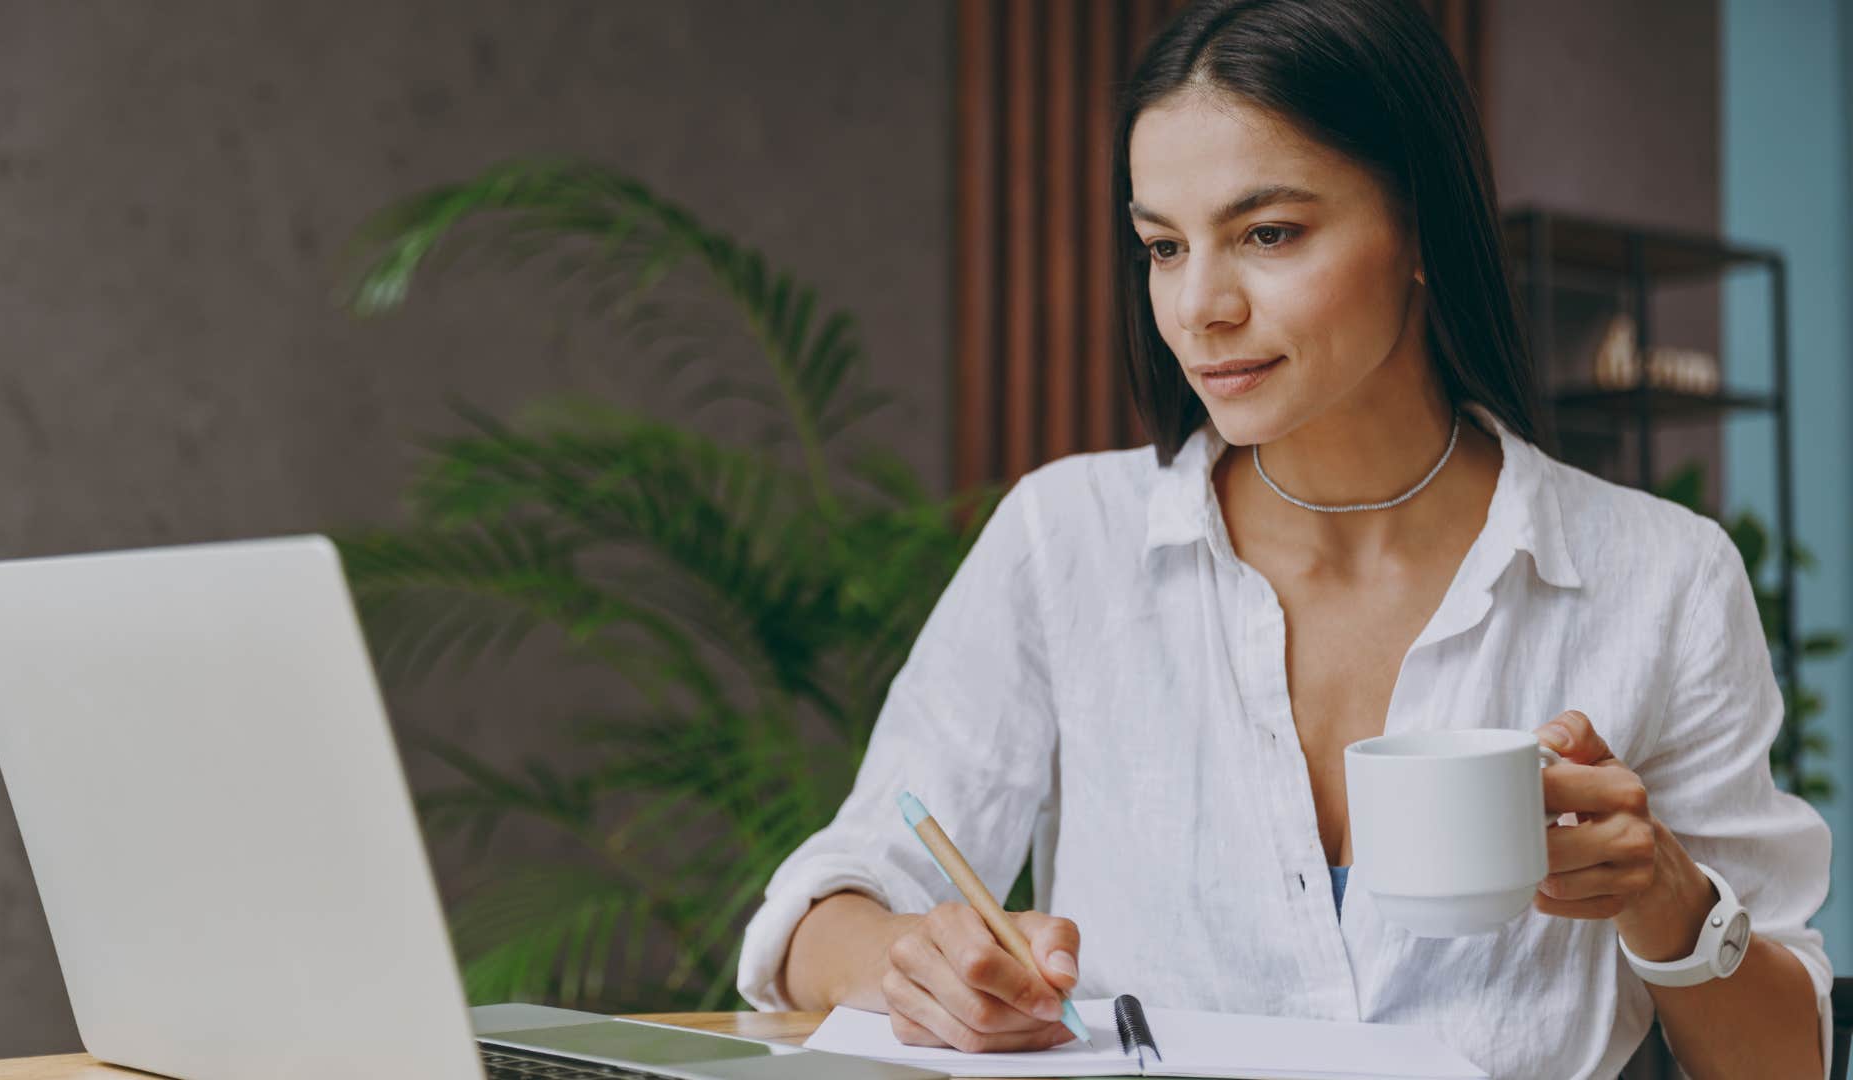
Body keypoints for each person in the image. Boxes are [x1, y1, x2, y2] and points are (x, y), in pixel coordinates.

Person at [734, 1, 1833, 1076]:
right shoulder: (1066, 541)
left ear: (1419, 230)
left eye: (1268, 234)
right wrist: (915, 962)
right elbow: (821, 912)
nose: (1199, 307)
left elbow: (1788, 1063)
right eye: (1163, 246)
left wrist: (1668, 901)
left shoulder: (1665, 579)